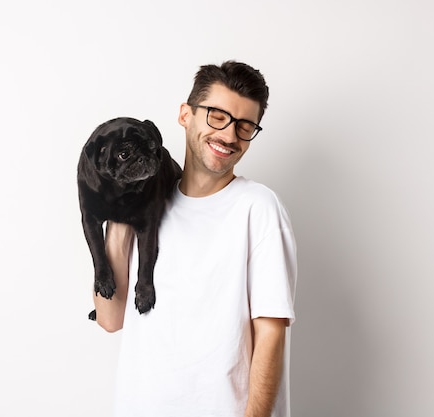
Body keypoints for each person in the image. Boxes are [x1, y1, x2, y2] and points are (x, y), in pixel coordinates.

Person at [93, 61, 297, 417]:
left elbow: (271, 335)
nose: (230, 135)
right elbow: (110, 318)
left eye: (245, 125)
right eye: (217, 116)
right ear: (185, 114)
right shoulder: (148, 207)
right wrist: (123, 211)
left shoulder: (257, 207)